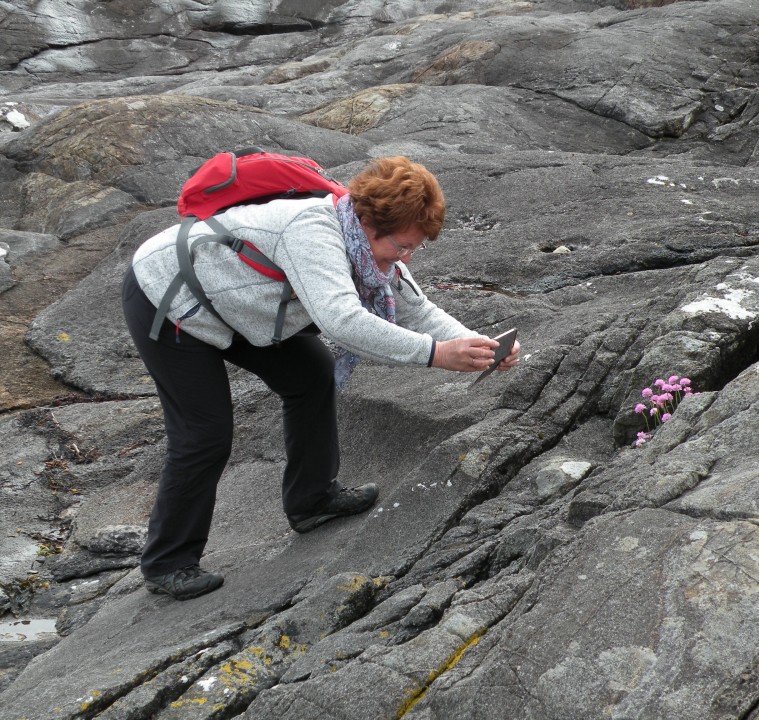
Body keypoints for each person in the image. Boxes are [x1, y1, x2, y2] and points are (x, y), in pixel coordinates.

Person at [121, 156, 520, 600]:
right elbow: (341, 321)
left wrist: (478, 343)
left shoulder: (367, 245)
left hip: (239, 303)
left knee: (313, 374)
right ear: (368, 225)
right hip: (170, 297)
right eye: (402, 247)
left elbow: (416, 308)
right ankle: (167, 562)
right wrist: (436, 355)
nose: (405, 258)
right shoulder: (311, 232)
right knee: (204, 434)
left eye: (414, 250)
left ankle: (312, 501)